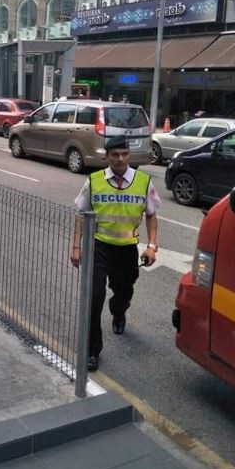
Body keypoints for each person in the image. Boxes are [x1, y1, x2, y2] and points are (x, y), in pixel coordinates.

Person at [70, 135, 161, 372]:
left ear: (128, 156)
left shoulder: (143, 181)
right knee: (94, 296)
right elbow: (81, 213)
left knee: (124, 291)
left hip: (127, 249)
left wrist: (152, 246)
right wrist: (76, 246)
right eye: (115, 155)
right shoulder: (94, 180)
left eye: (124, 154)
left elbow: (151, 215)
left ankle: (118, 312)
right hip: (99, 247)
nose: (120, 159)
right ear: (107, 156)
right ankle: (92, 350)